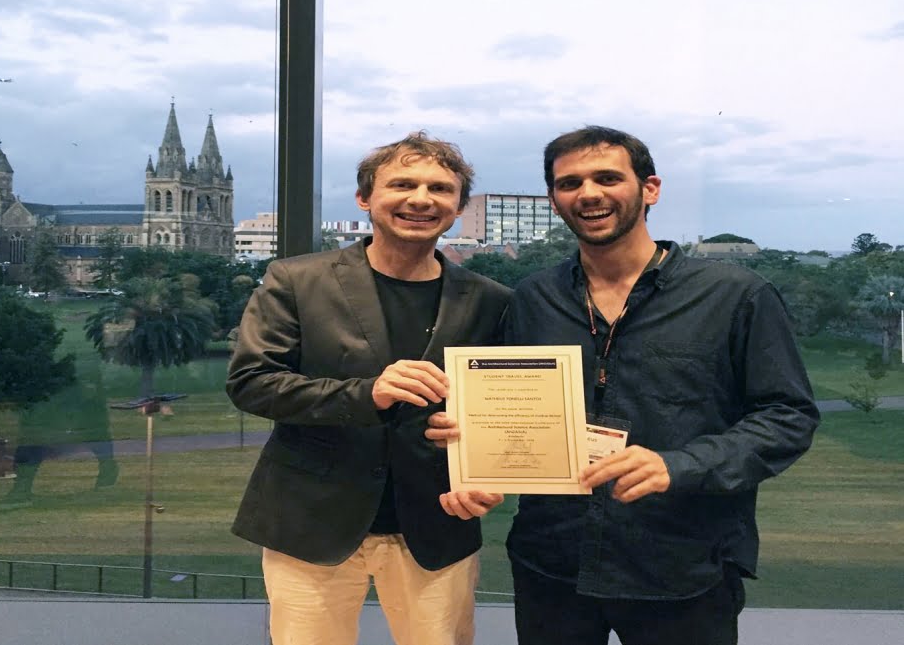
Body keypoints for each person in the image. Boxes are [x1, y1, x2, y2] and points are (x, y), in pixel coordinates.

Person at [429, 126, 820, 645]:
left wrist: (677, 465)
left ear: (650, 188)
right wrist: (469, 444)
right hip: (552, 564)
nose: (588, 193)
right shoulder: (532, 299)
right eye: (569, 183)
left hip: (681, 566)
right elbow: (504, 409)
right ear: (554, 199)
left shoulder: (735, 296)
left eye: (607, 177)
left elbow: (787, 416)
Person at [227, 132, 510, 645]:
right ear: (365, 198)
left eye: (440, 189)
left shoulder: (492, 301)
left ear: (457, 207)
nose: (421, 199)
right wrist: (366, 394)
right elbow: (252, 383)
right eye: (402, 184)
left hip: (438, 521)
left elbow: (502, 407)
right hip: (310, 521)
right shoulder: (296, 280)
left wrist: (493, 466)